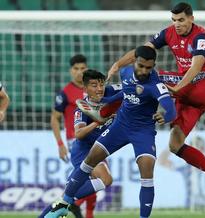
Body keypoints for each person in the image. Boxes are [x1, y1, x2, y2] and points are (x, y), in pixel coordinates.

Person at [105, 2, 205, 187]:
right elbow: (143, 52)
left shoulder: (200, 36)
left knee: (146, 75)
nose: (177, 24)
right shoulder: (168, 33)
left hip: (200, 86)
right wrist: (117, 64)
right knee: (175, 145)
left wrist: (178, 87)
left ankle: (104, 107)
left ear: (191, 18)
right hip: (188, 98)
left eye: (181, 20)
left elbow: (196, 66)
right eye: (174, 20)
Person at [44, 46, 176, 218]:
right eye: (141, 66)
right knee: (90, 159)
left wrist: (163, 116)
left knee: (146, 170)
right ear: (135, 62)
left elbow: (170, 109)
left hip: (143, 131)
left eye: (148, 67)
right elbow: (124, 94)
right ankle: (65, 202)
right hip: (120, 125)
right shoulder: (126, 73)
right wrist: (105, 102)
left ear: (153, 66)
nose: (144, 71)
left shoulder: (155, 85)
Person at [40, 69, 117, 218]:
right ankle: (68, 202)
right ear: (85, 88)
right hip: (82, 151)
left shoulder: (110, 99)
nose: (99, 89)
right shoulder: (82, 108)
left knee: (74, 193)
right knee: (105, 179)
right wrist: (97, 122)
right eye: (94, 85)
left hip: (97, 149)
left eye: (101, 84)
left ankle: (66, 203)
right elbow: (79, 134)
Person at [50, 54, 96, 218]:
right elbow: (54, 118)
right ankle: (69, 203)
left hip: (95, 139)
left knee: (93, 181)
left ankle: (72, 205)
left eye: (82, 68)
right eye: (76, 69)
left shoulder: (93, 89)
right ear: (71, 71)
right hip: (75, 141)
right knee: (96, 178)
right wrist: (60, 144)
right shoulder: (65, 93)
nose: (79, 72)